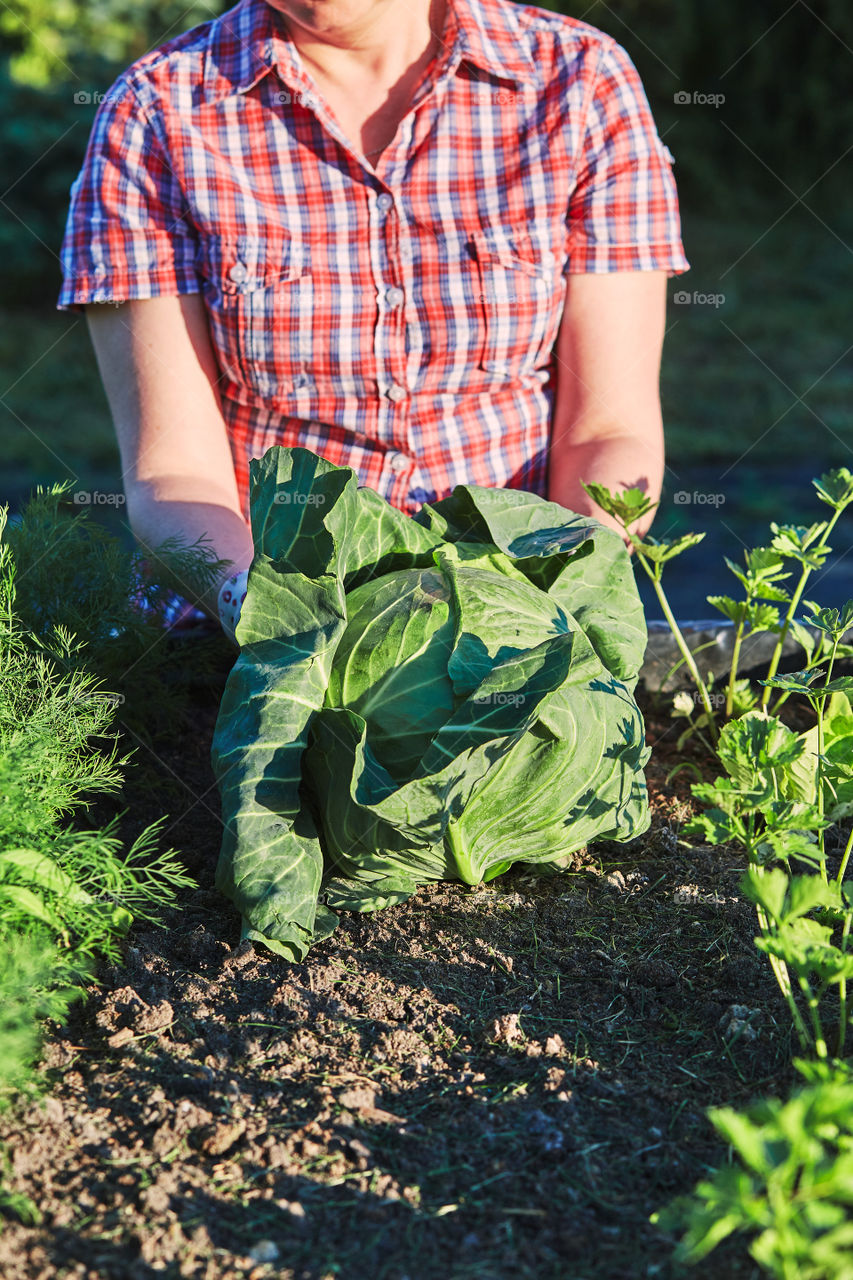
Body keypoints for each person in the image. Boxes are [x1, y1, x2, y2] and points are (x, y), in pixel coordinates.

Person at [58, 0, 689, 639]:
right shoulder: (155, 110)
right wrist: (279, 619)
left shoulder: (579, 79)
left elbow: (608, 430)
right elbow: (174, 474)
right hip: (249, 636)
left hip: (517, 623)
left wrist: (542, 608)